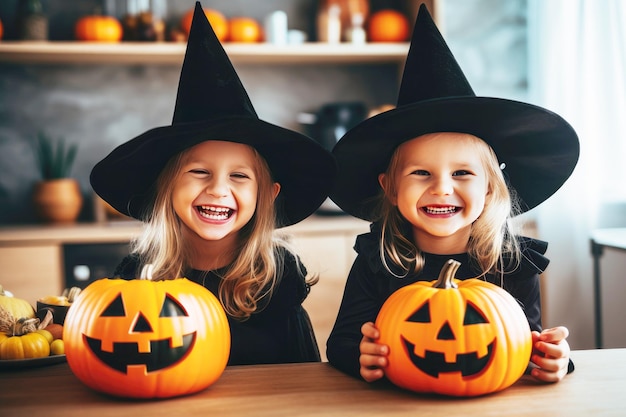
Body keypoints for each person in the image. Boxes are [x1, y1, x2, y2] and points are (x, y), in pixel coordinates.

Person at [326, 5, 578, 384]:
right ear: (391, 188)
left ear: (491, 188)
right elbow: (342, 343)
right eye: (421, 173)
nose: (441, 187)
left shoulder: (512, 262)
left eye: (462, 173)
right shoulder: (378, 259)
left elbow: (523, 346)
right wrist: (360, 356)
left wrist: (553, 359)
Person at [90, 2, 336, 365]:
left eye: (239, 176)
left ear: (267, 195)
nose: (218, 189)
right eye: (199, 172)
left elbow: (303, 373)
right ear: (166, 187)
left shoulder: (277, 278)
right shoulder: (137, 275)